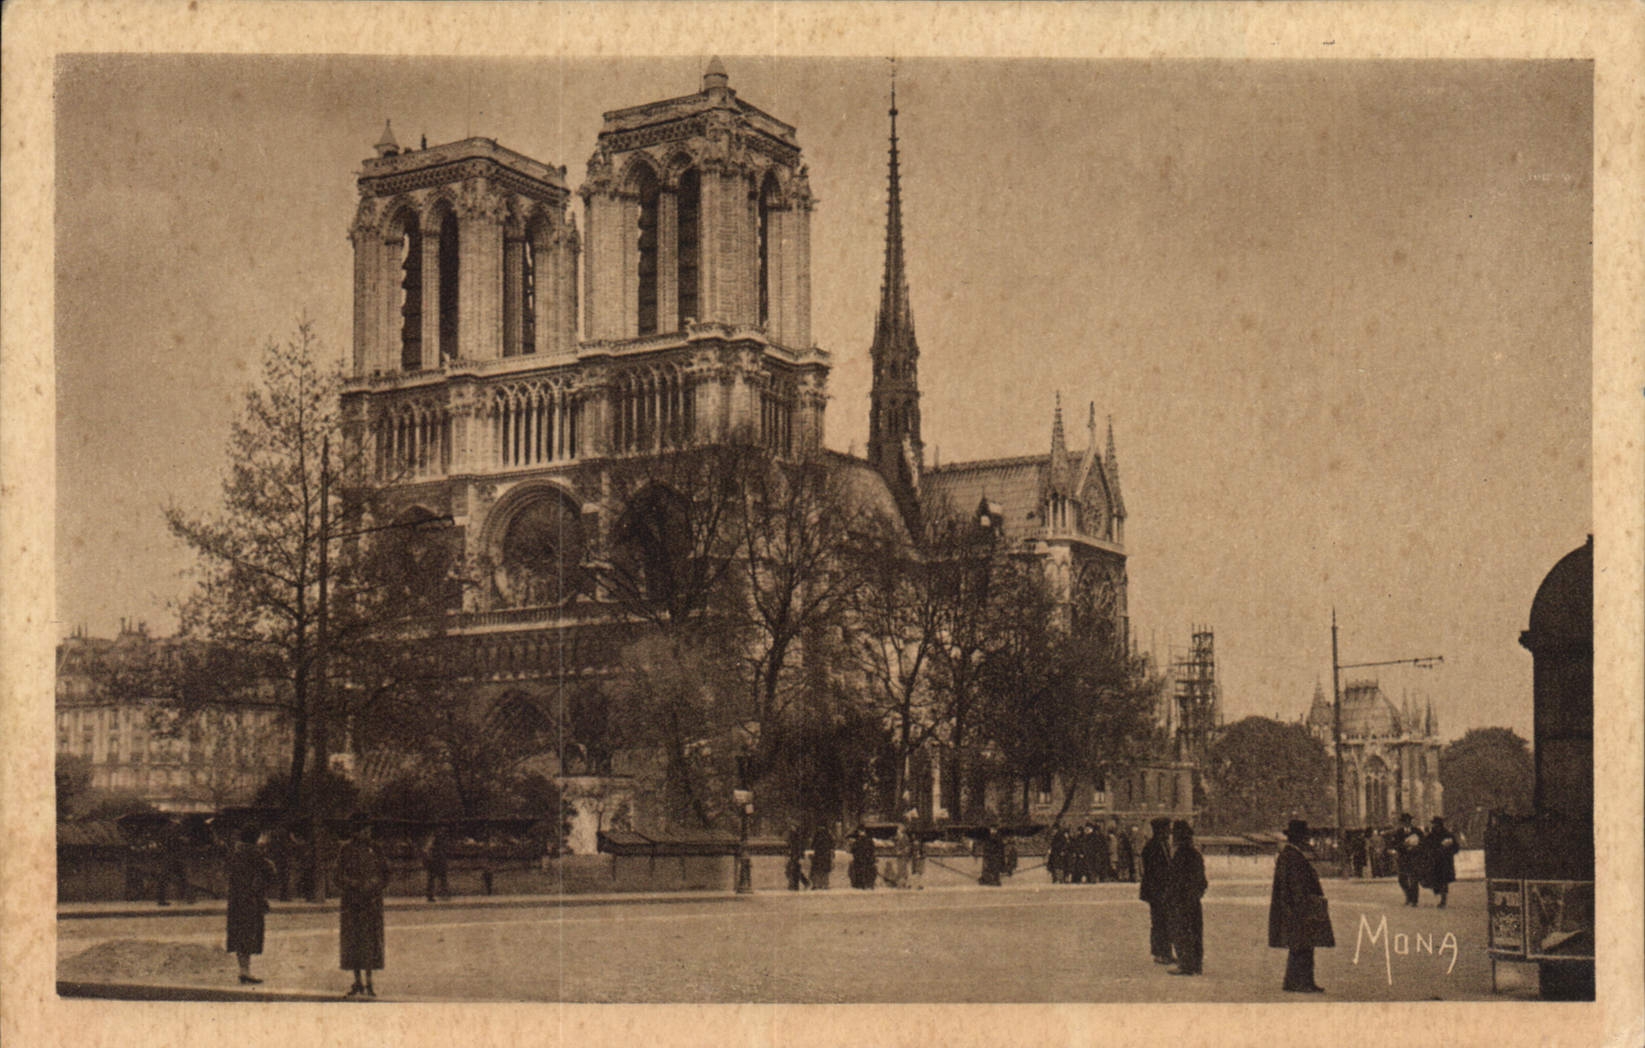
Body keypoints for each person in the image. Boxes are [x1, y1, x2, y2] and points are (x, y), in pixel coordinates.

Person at [1269, 818, 1333, 993]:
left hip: (1295, 906)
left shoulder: (1290, 854)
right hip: (1299, 907)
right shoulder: (1293, 856)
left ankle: (1296, 981)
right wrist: (1303, 905)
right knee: (1303, 945)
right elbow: (1296, 885)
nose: (1306, 839)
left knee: (1301, 945)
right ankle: (1301, 982)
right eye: (1304, 836)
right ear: (1299, 837)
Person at [335, 814, 389, 998]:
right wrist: (353, 883)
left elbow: (385, 874)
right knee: (353, 941)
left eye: (369, 829)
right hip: (352, 902)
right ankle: (357, 980)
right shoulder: (346, 850)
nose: (368, 832)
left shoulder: (376, 849)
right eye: (364, 829)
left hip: (371, 901)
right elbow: (338, 875)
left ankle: (369, 980)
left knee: (370, 941)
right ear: (356, 831)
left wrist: (374, 883)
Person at [224, 824, 276, 985]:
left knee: (239, 934)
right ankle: (246, 971)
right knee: (249, 934)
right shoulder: (255, 853)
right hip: (252, 899)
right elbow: (271, 872)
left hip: (236, 899)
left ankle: (243, 970)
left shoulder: (235, 852)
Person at [1166, 820, 1207, 975]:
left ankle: (1186, 964)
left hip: (1181, 900)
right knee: (1195, 931)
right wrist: (1196, 894)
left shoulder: (1180, 855)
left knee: (1182, 931)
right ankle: (1196, 964)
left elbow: (1175, 880)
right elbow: (1202, 881)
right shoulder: (1195, 854)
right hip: (1193, 901)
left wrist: (1172, 897)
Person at [1138, 817, 1175, 965]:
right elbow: (1153, 872)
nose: (1168, 832)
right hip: (1157, 891)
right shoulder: (1152, 847)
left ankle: (1165, 952)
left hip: (1162, 890)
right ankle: (1160, 953)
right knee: (1160, 922)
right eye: (1166, 830)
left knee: (1164, 921)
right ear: (1159, 831)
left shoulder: (1162, 845)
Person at [1421, 816, 1460, 909]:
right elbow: (1425, 846)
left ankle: (1443, 900)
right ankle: (1440, 895)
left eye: (1436, 824)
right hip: (1434, 861)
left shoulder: (1447, 835)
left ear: (1440, 825)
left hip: (1445, 861)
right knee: (1436, 880)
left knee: (1443, 881)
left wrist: (1448, 851)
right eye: (1434, 824)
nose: (1435, 826)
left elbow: (1456, 847)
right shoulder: (1431, 835)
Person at [1392, 812, 1424, 907]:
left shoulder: (1417, 831)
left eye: (1408, 821)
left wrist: (1416, 847)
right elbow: (1394, 844)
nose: (1406, 823)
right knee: (1402, 879)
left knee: (1414, 879)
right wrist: (1403, 845)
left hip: (1414, 858)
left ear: (1410, 821)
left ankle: (1414, 900)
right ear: (1402, 823)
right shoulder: (1398, 832)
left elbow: (1423, 843)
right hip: (1403, 858)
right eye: (1404, 821)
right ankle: (1409, 896)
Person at [421, 826, 450, 902]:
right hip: (435, 862)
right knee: (436, 878)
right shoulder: (434, 840)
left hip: (437, 861)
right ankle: (436, 894)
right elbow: (426, 850)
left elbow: (426, 850)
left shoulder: (435, 840)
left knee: (437, 879)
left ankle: (440, 894)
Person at [809, 823, 834, 891]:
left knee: (817, 870)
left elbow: (812, 845)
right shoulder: (828, 835)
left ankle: (816, 884)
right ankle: (825, 884)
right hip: (826, 855)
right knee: (825, 871)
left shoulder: (817, 835)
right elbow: (832, 845)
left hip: (818, 855)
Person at [785, 823, 810, 891]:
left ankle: (798, 885)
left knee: (795, 871)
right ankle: (798, 884)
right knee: (794, 871)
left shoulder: (796, 837)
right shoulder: (793, 836)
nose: (792, 828)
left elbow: (799, 847)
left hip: (796, 855)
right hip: (794, 855)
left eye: (793, 826)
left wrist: (800, 856)